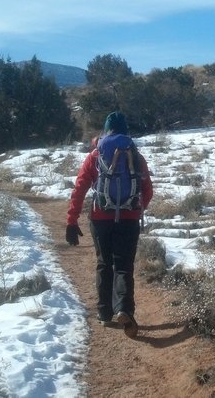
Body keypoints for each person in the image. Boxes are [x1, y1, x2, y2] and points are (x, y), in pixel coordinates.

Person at [66, 111, 153, 338]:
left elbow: (80, 188)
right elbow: (147, 190)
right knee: (124, 265)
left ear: (106, 130)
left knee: (104, 263)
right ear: (126, 130)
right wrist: (135, 209)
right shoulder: (136, 156)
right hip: (129, 219)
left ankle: (104, 313)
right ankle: (124, 308)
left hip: (100, 218)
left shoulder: (95, 156)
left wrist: (71, 220)